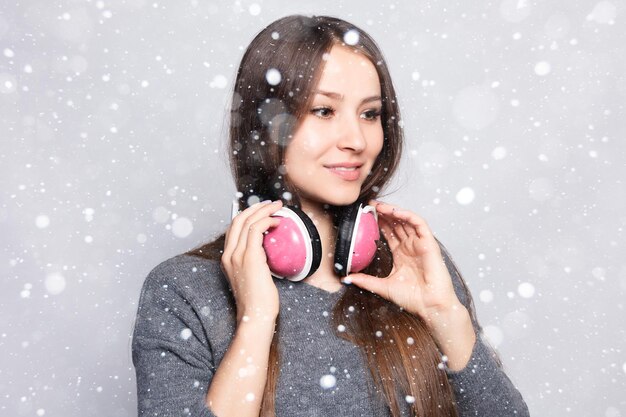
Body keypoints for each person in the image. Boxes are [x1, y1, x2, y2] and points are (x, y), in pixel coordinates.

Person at [132, 14, 529, 417]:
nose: (356, 140)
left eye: (370, 114)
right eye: (324, 111)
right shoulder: (183, 291)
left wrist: (445, 315)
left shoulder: (409, 261)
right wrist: (255, 320)